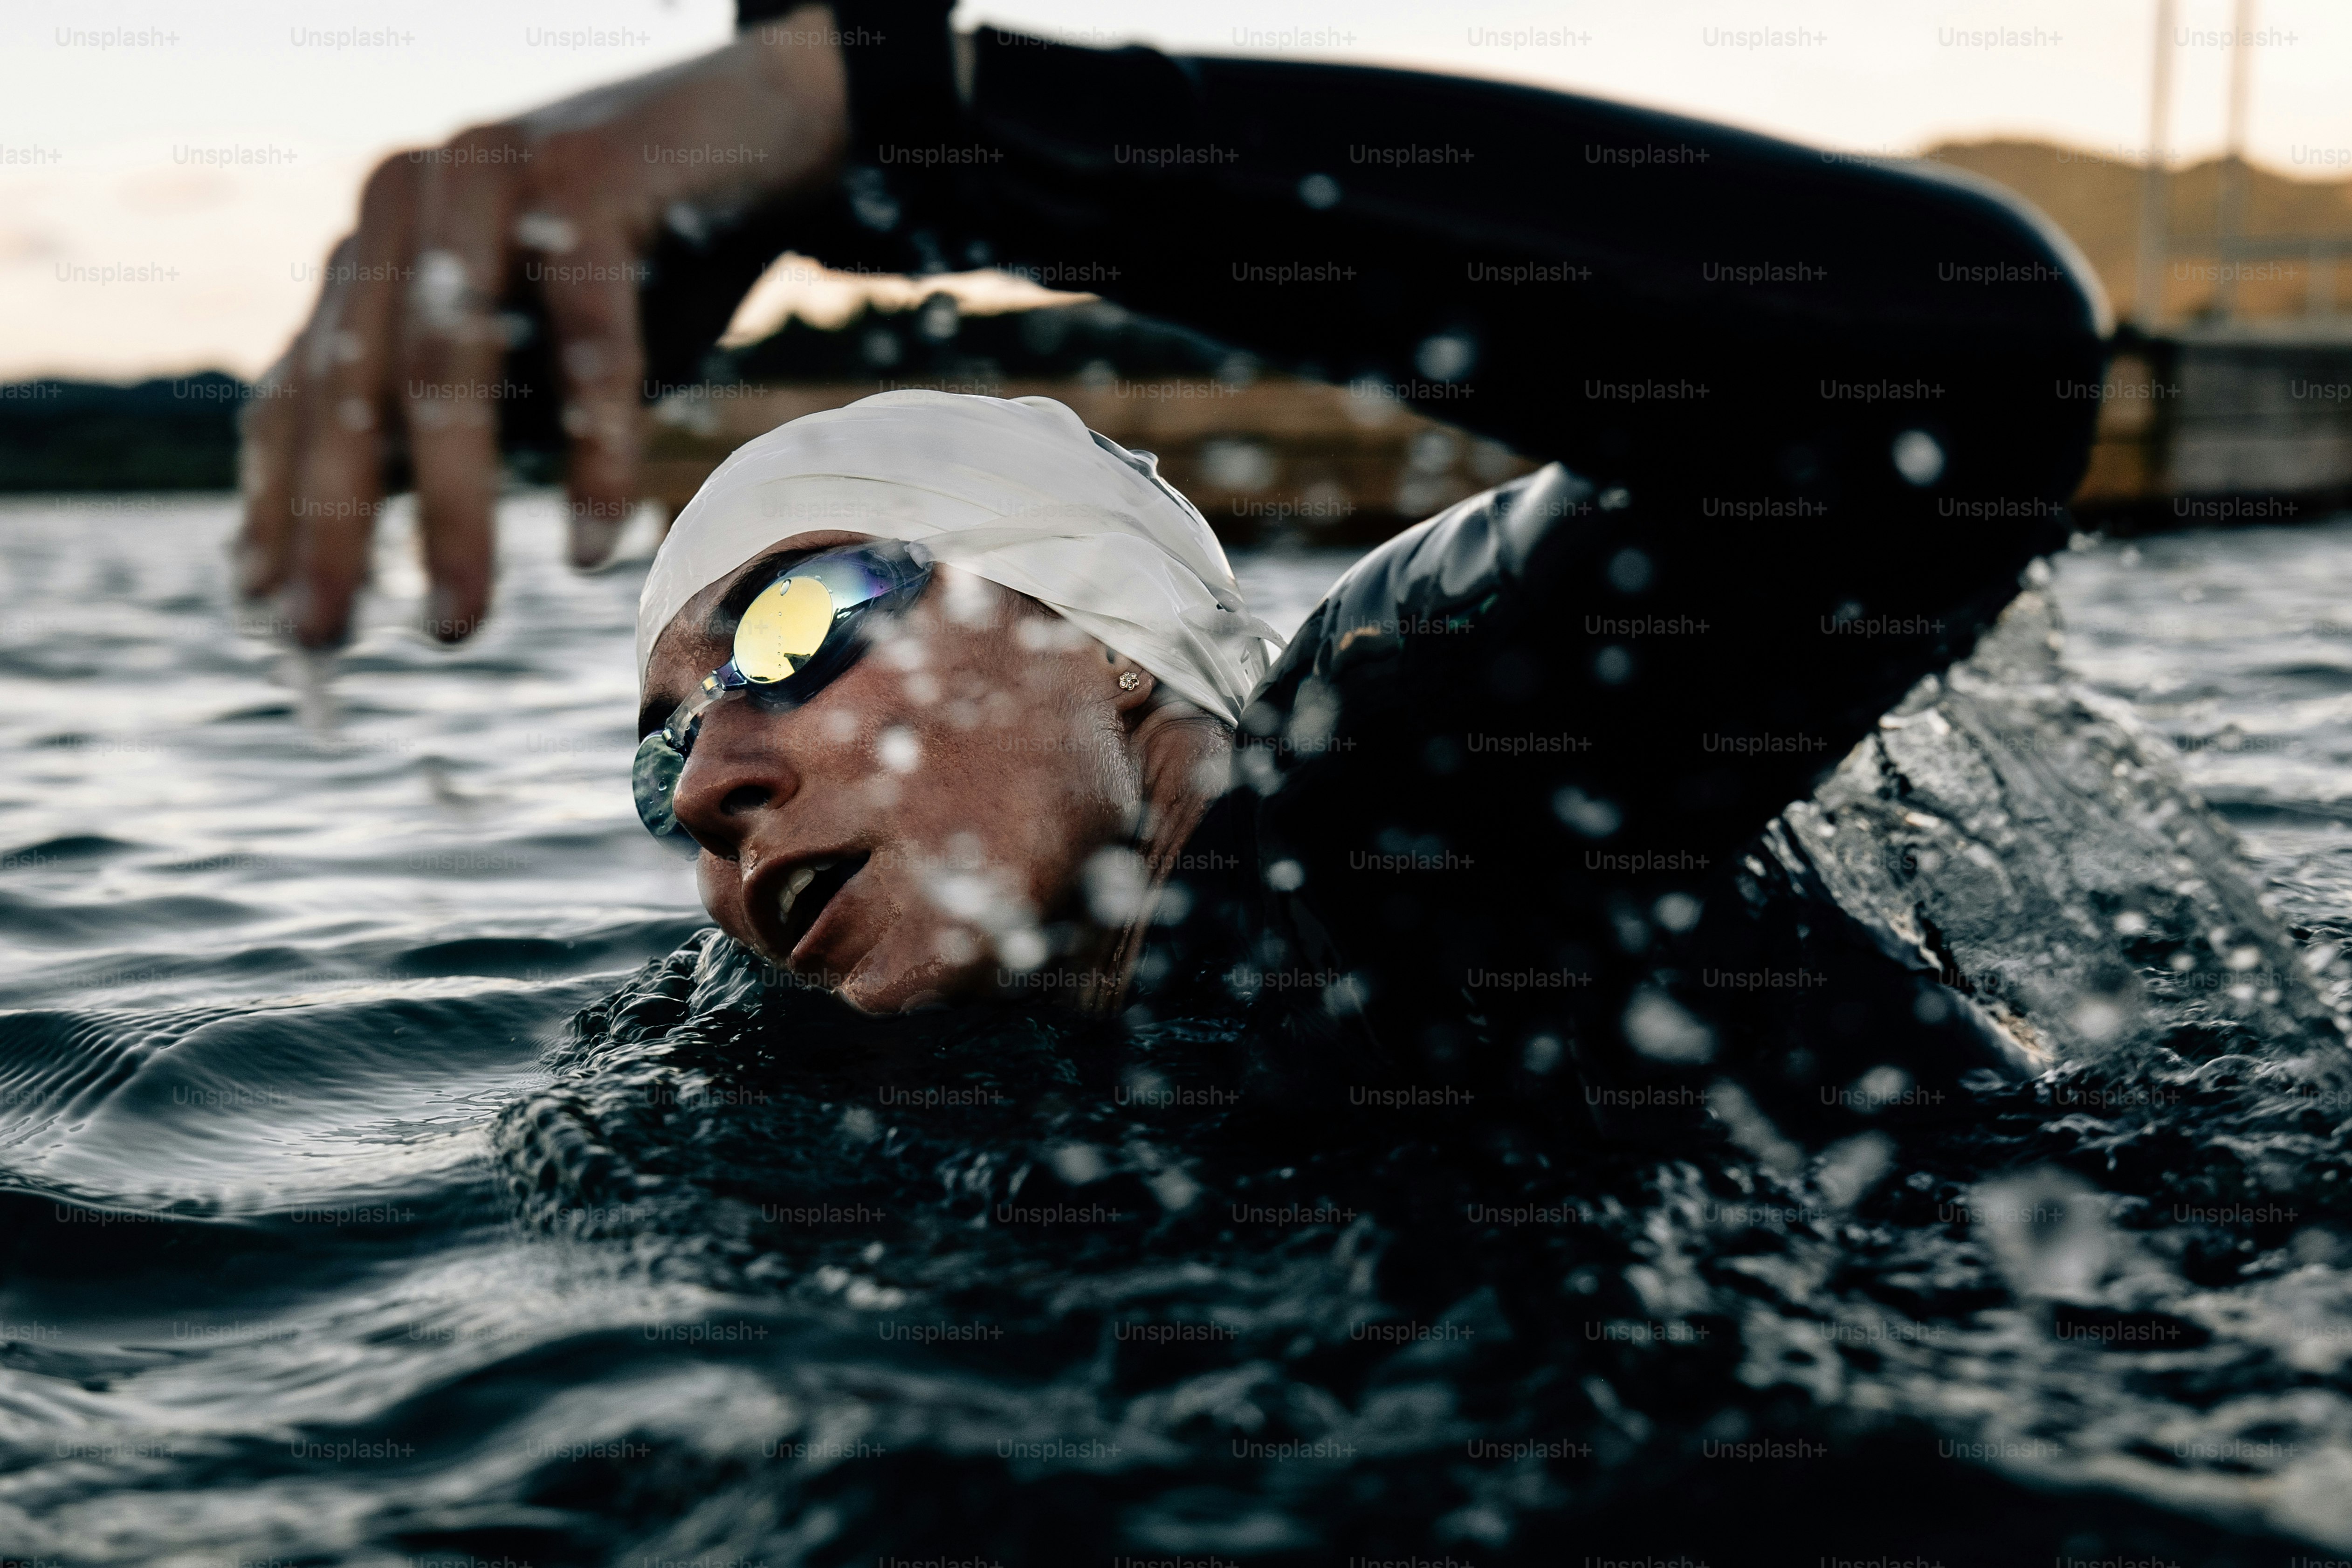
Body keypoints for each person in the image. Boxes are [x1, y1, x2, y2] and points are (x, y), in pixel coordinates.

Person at [243, 2, 2111, 1132]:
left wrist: (897, 124)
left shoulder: (1401, 787)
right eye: (664, 753)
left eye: (799, 627)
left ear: (1107, 643)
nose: (709, 792)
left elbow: (1937, 358)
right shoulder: (903, 1088)